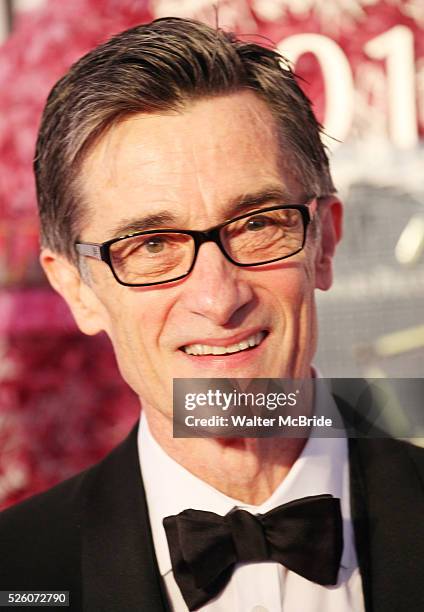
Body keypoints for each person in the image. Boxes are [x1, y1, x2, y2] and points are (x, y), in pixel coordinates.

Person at [0, 17, 423, 612]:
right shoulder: (15, 574)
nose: (218, 298)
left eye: (257, 225)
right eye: (151, 245)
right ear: (78, 288)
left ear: (324, 243)